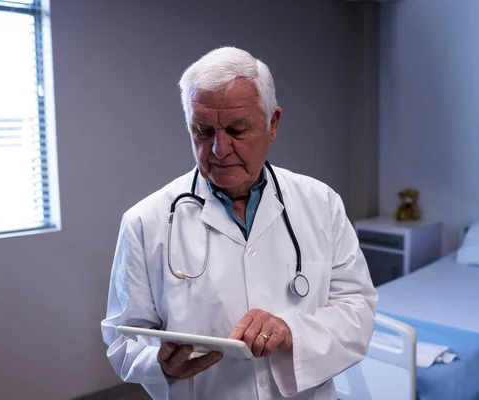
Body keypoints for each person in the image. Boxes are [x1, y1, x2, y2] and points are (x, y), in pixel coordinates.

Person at [101, 46, 378, 400]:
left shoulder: (321, 203)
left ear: (272, 124)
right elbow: (123, 337)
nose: (219, 149)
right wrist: (159, 362)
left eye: (237, 130)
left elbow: (358, 311)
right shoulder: (145, 221)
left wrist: (290, 330)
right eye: (203, 131)